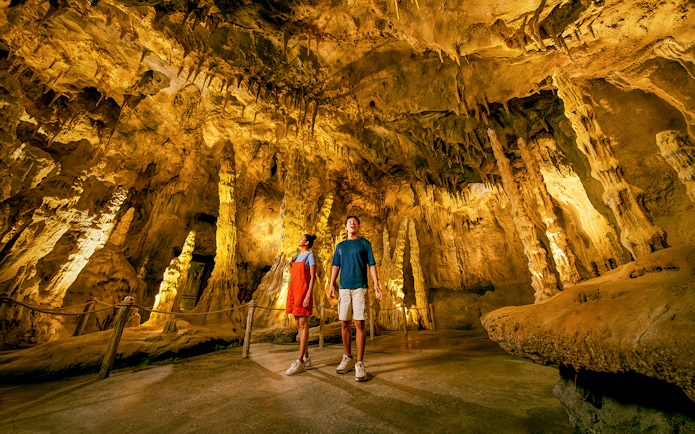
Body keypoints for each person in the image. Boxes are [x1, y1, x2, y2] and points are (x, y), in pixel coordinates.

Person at [329, 216, 383, 382]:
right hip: (344, 287)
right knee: (344, 322)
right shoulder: (340, 246)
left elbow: (371, 264)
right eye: (349, 222)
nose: (352, 224)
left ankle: (359, 362)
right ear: (345, 227)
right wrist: (331, 284)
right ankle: (348, 357)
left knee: (359, 323)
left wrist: (376, 283)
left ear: (358, 226)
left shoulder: (364, 244)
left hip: (360, 287)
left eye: (355, 222)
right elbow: (335, 266)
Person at [285, 234, 318, 376]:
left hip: (303, 292)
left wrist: (308, 295)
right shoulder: (297, 256)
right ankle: (306, 356)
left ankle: (299, 361)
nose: (298, 240)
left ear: (307, 242)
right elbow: (294, 274)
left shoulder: (310, 256)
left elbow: (312, 278)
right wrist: (290, 263)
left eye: (301, 238)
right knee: (298, 324)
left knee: (303, 324)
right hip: (294, 292)